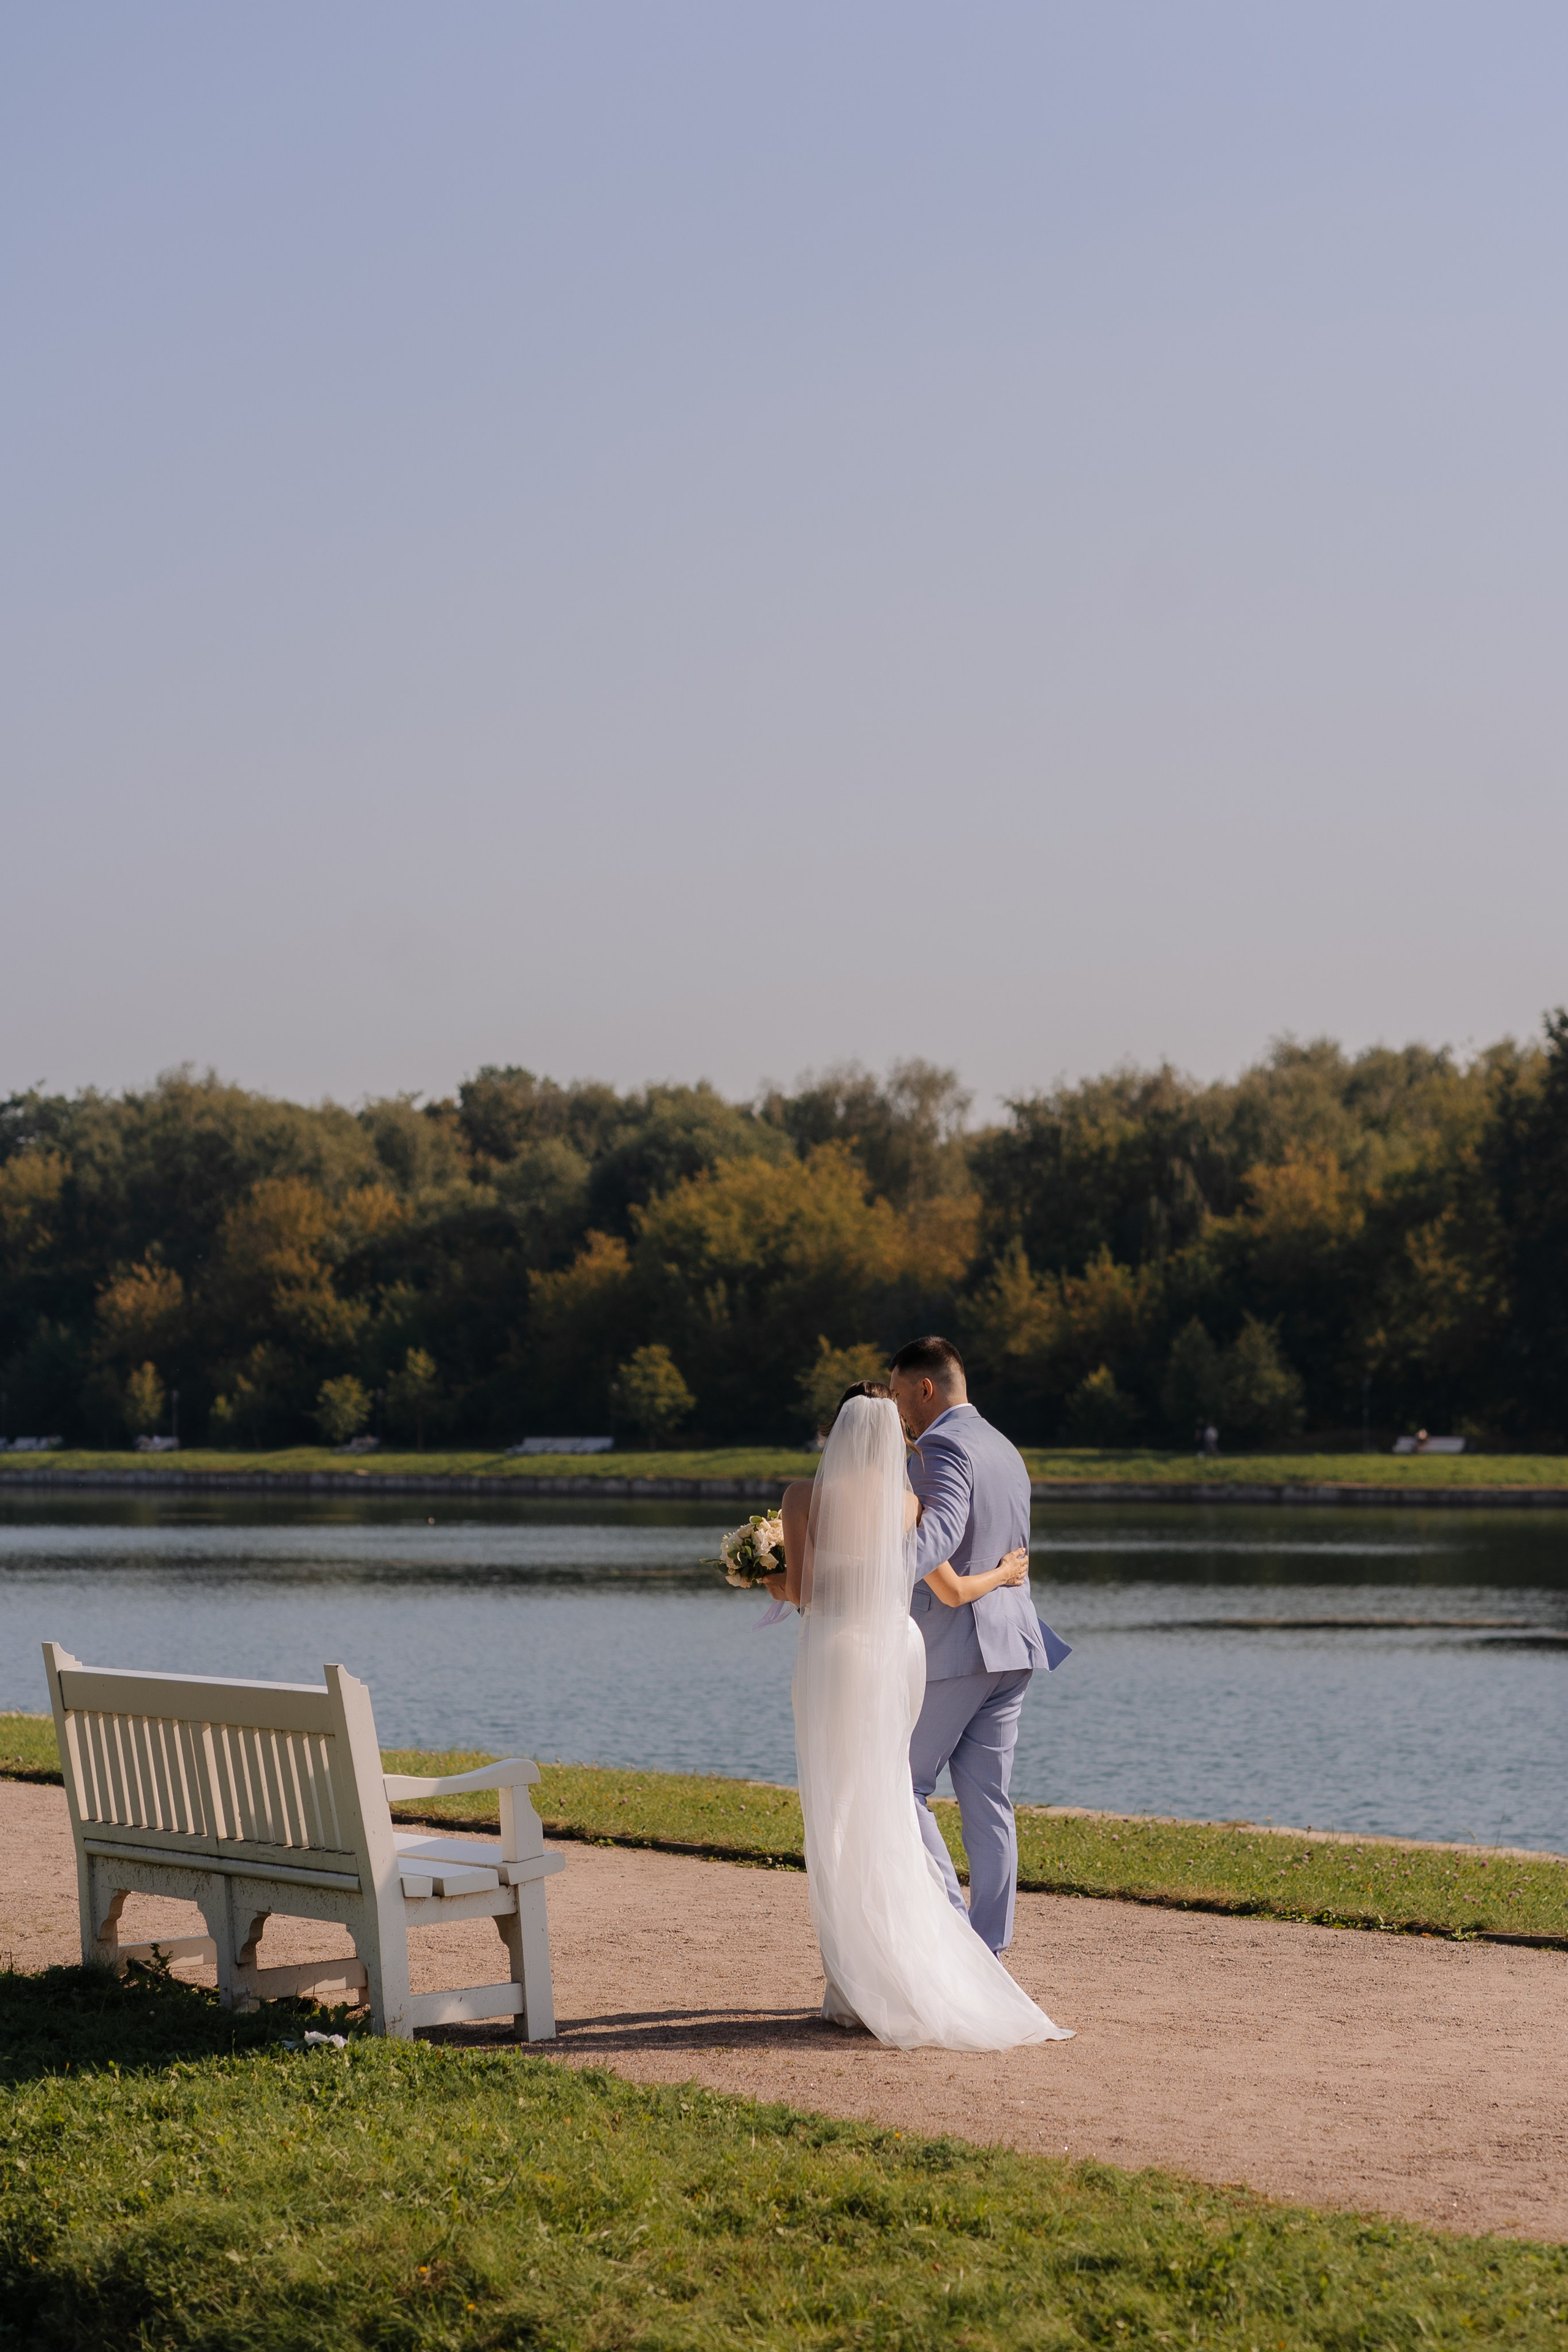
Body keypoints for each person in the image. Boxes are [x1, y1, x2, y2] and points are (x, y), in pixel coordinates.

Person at [764, 1389, 1071, 2049]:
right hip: (896, 1651)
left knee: (841, 1805)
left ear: (838, 1433)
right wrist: (1005, 1573)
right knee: (887, 1797)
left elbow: (805, 1593)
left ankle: (856, 1975)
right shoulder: (906, 1505)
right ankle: (929, 1956)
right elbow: (953, 1591)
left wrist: (765, 1575)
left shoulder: (800, 1498)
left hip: (836, 1652)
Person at [887, 1336, 1063, 1958]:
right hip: (1014, 1642)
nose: (898, 1409)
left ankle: (956, 1937)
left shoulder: (941, 1446)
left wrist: (869, 1567)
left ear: (924, 1388)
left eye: (900, 1393)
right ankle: (991, 1945)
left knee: (898, 1783)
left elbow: (933, 1538)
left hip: (958, 1647)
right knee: (988, 1801)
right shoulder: (1004, 1447)